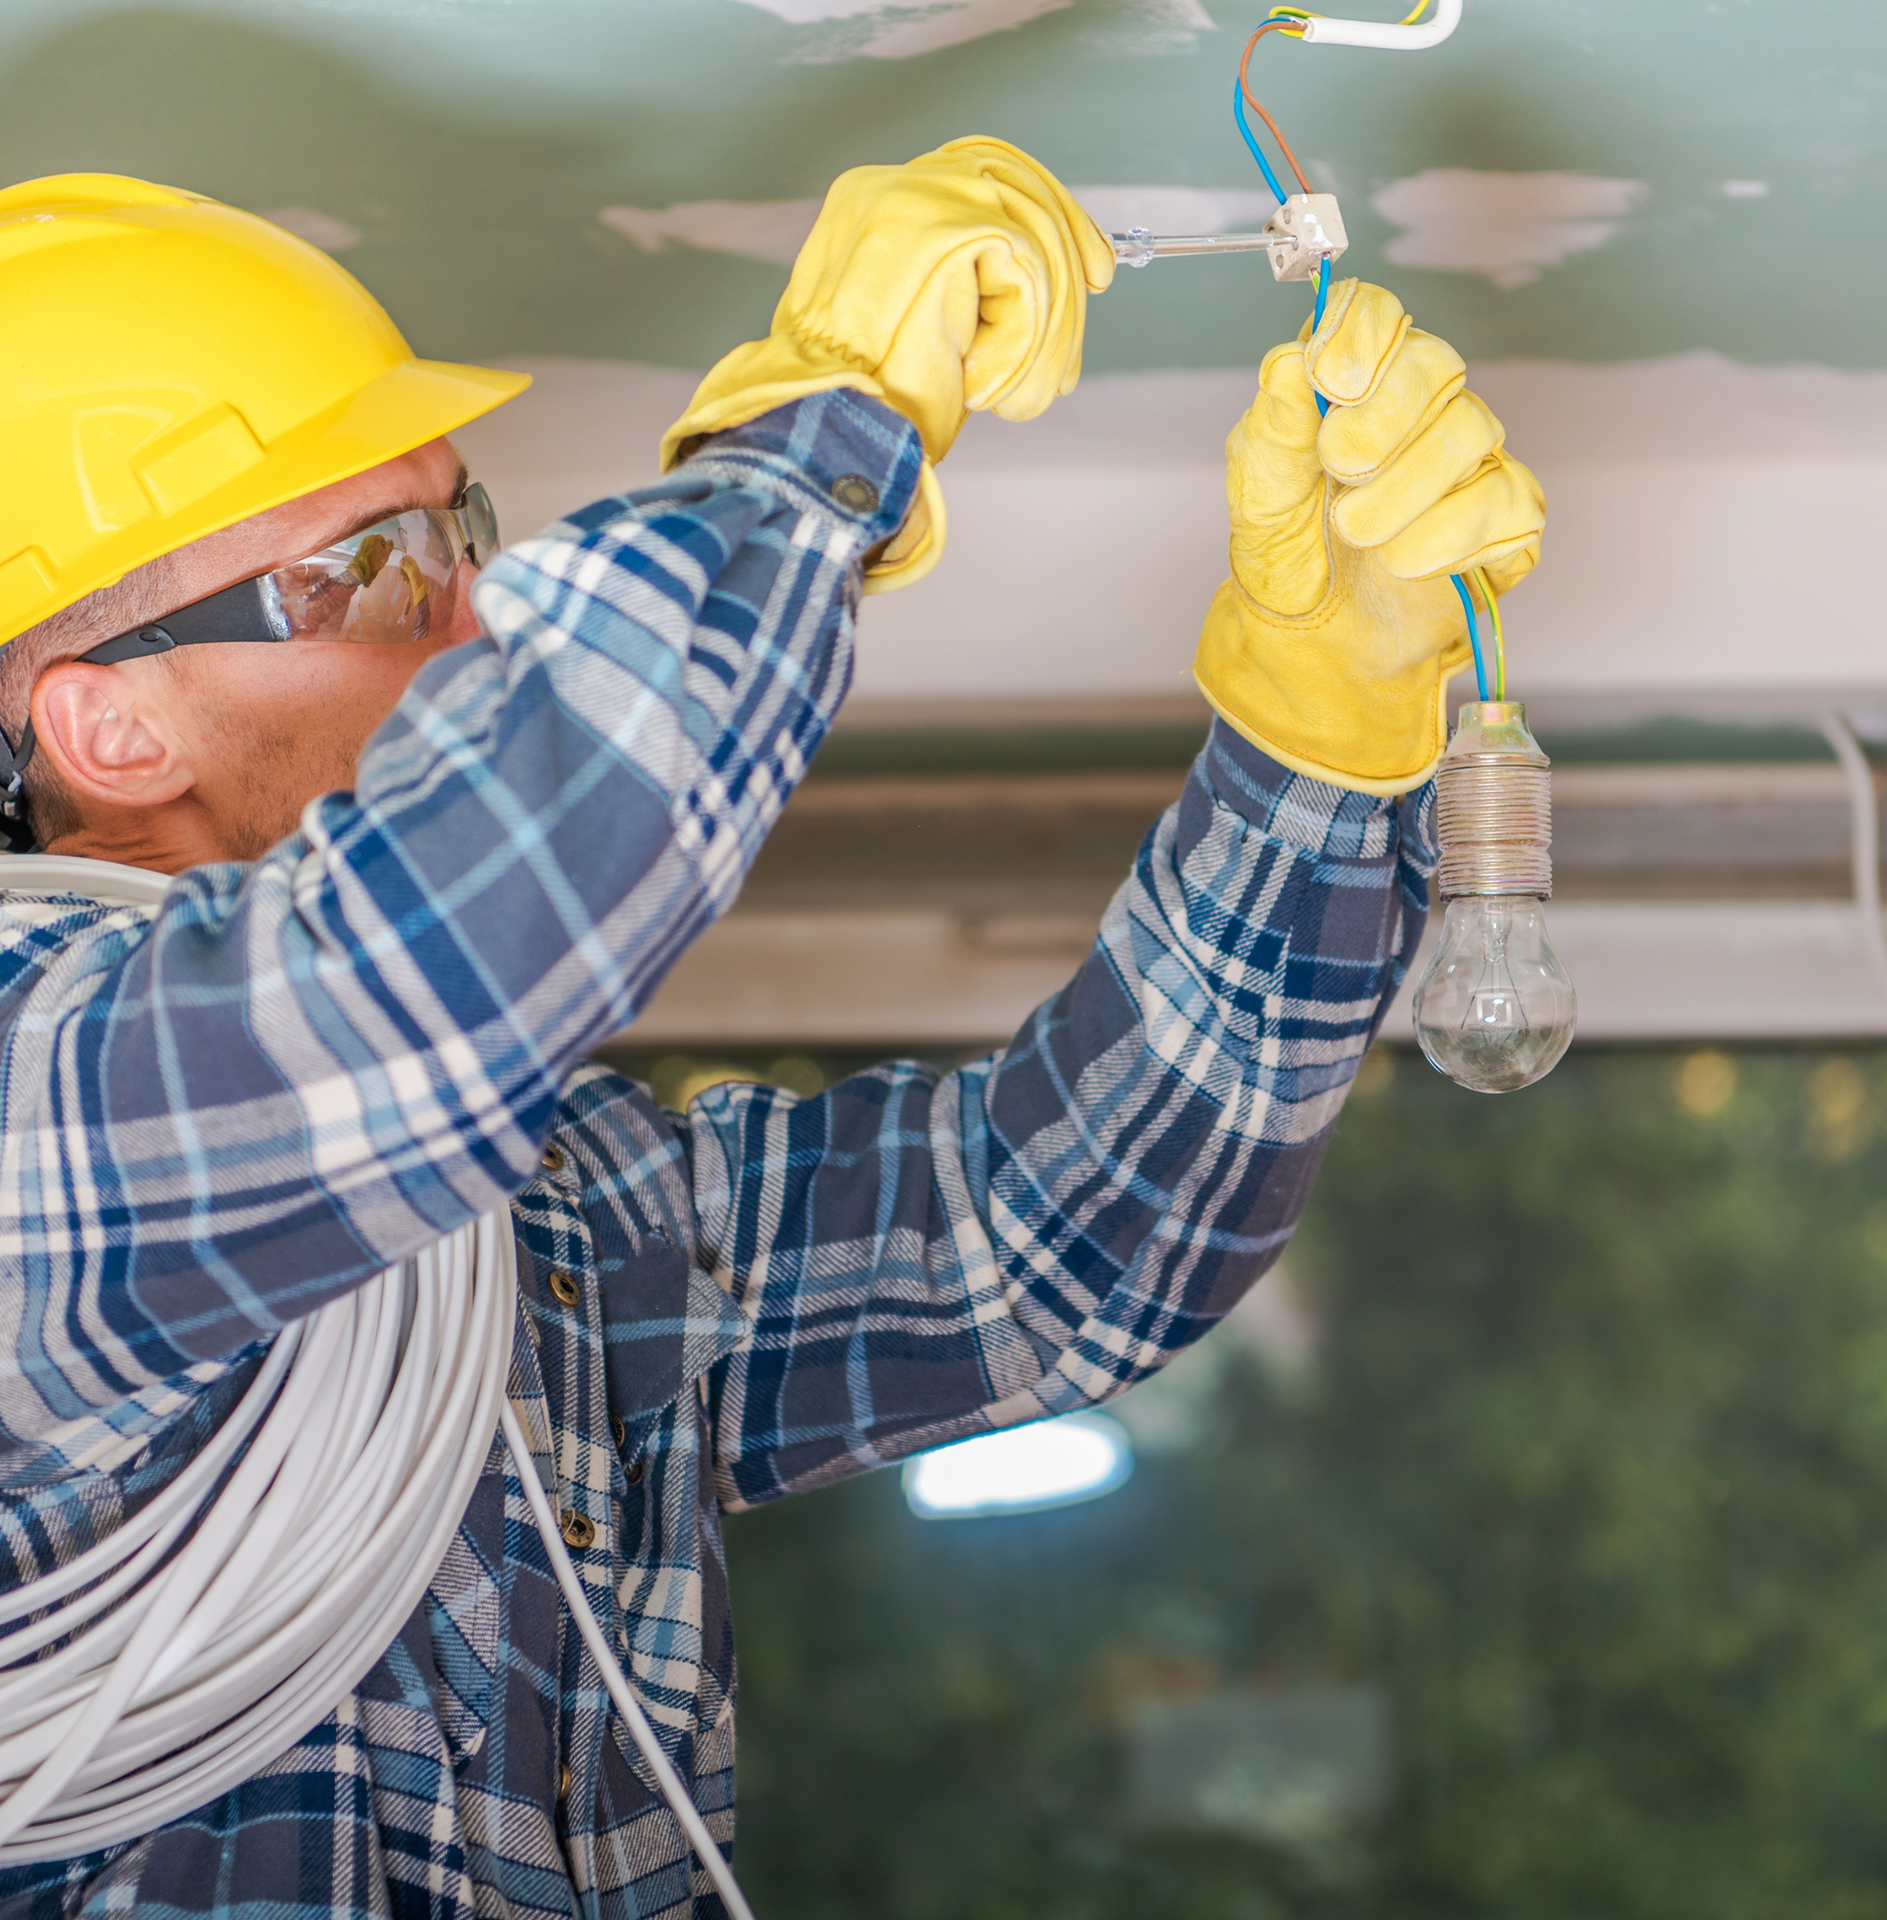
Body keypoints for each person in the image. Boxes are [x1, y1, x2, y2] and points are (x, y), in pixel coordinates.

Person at [0, 144, 1542, 1915]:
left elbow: (1051, 1242)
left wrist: (1320, 733)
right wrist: (824, 444)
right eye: (376, 570)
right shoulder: (30, 1123)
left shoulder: (545, 1215)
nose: (476, 610)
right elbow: (464, 939)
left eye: (464, 532)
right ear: (107, 729)